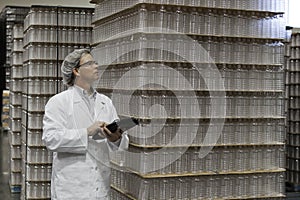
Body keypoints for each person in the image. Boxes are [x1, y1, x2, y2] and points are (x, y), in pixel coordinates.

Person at [42, 49, 129, 200]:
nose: (96, 66)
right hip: (71, 188)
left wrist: (116, 138)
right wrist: (87, 131)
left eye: (95, 62)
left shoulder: (105, 102)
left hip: (100, 185)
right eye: (90, 63)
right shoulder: (59, 102)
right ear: (76, 71)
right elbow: (51, 139)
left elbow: (122, 143)